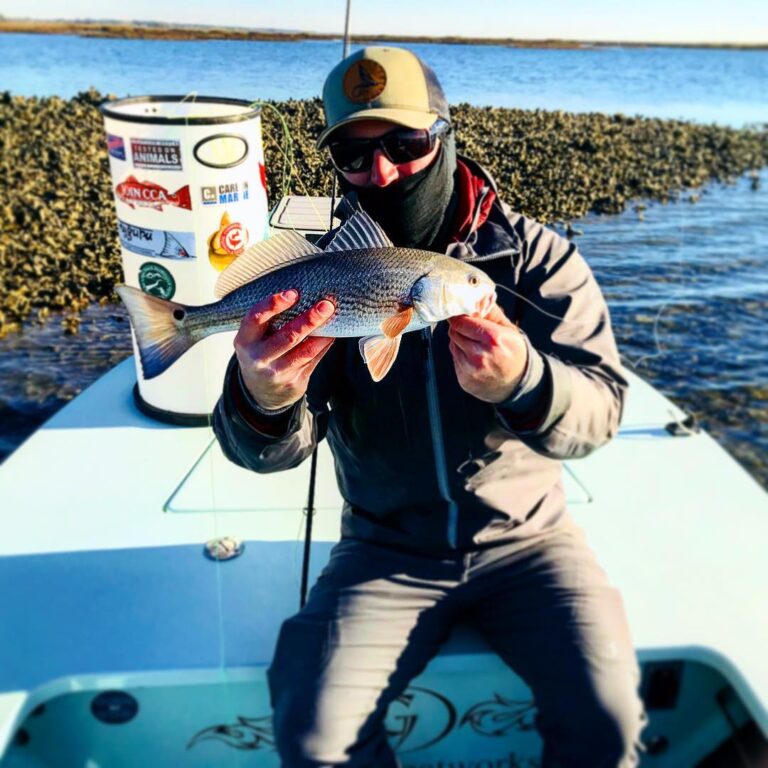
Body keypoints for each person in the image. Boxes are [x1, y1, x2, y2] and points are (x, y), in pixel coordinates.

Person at [213, 46, 646, 767]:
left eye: (406, 144)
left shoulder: (537, 263)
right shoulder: (321, 280)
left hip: (531, 545)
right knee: (314, 735)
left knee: (606, 722)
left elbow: (600, 411)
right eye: (354, 154)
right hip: (387, 547)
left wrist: (527, 382)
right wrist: (264, 397)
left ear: (446, 135)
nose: (382, 171)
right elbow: (266, 451)